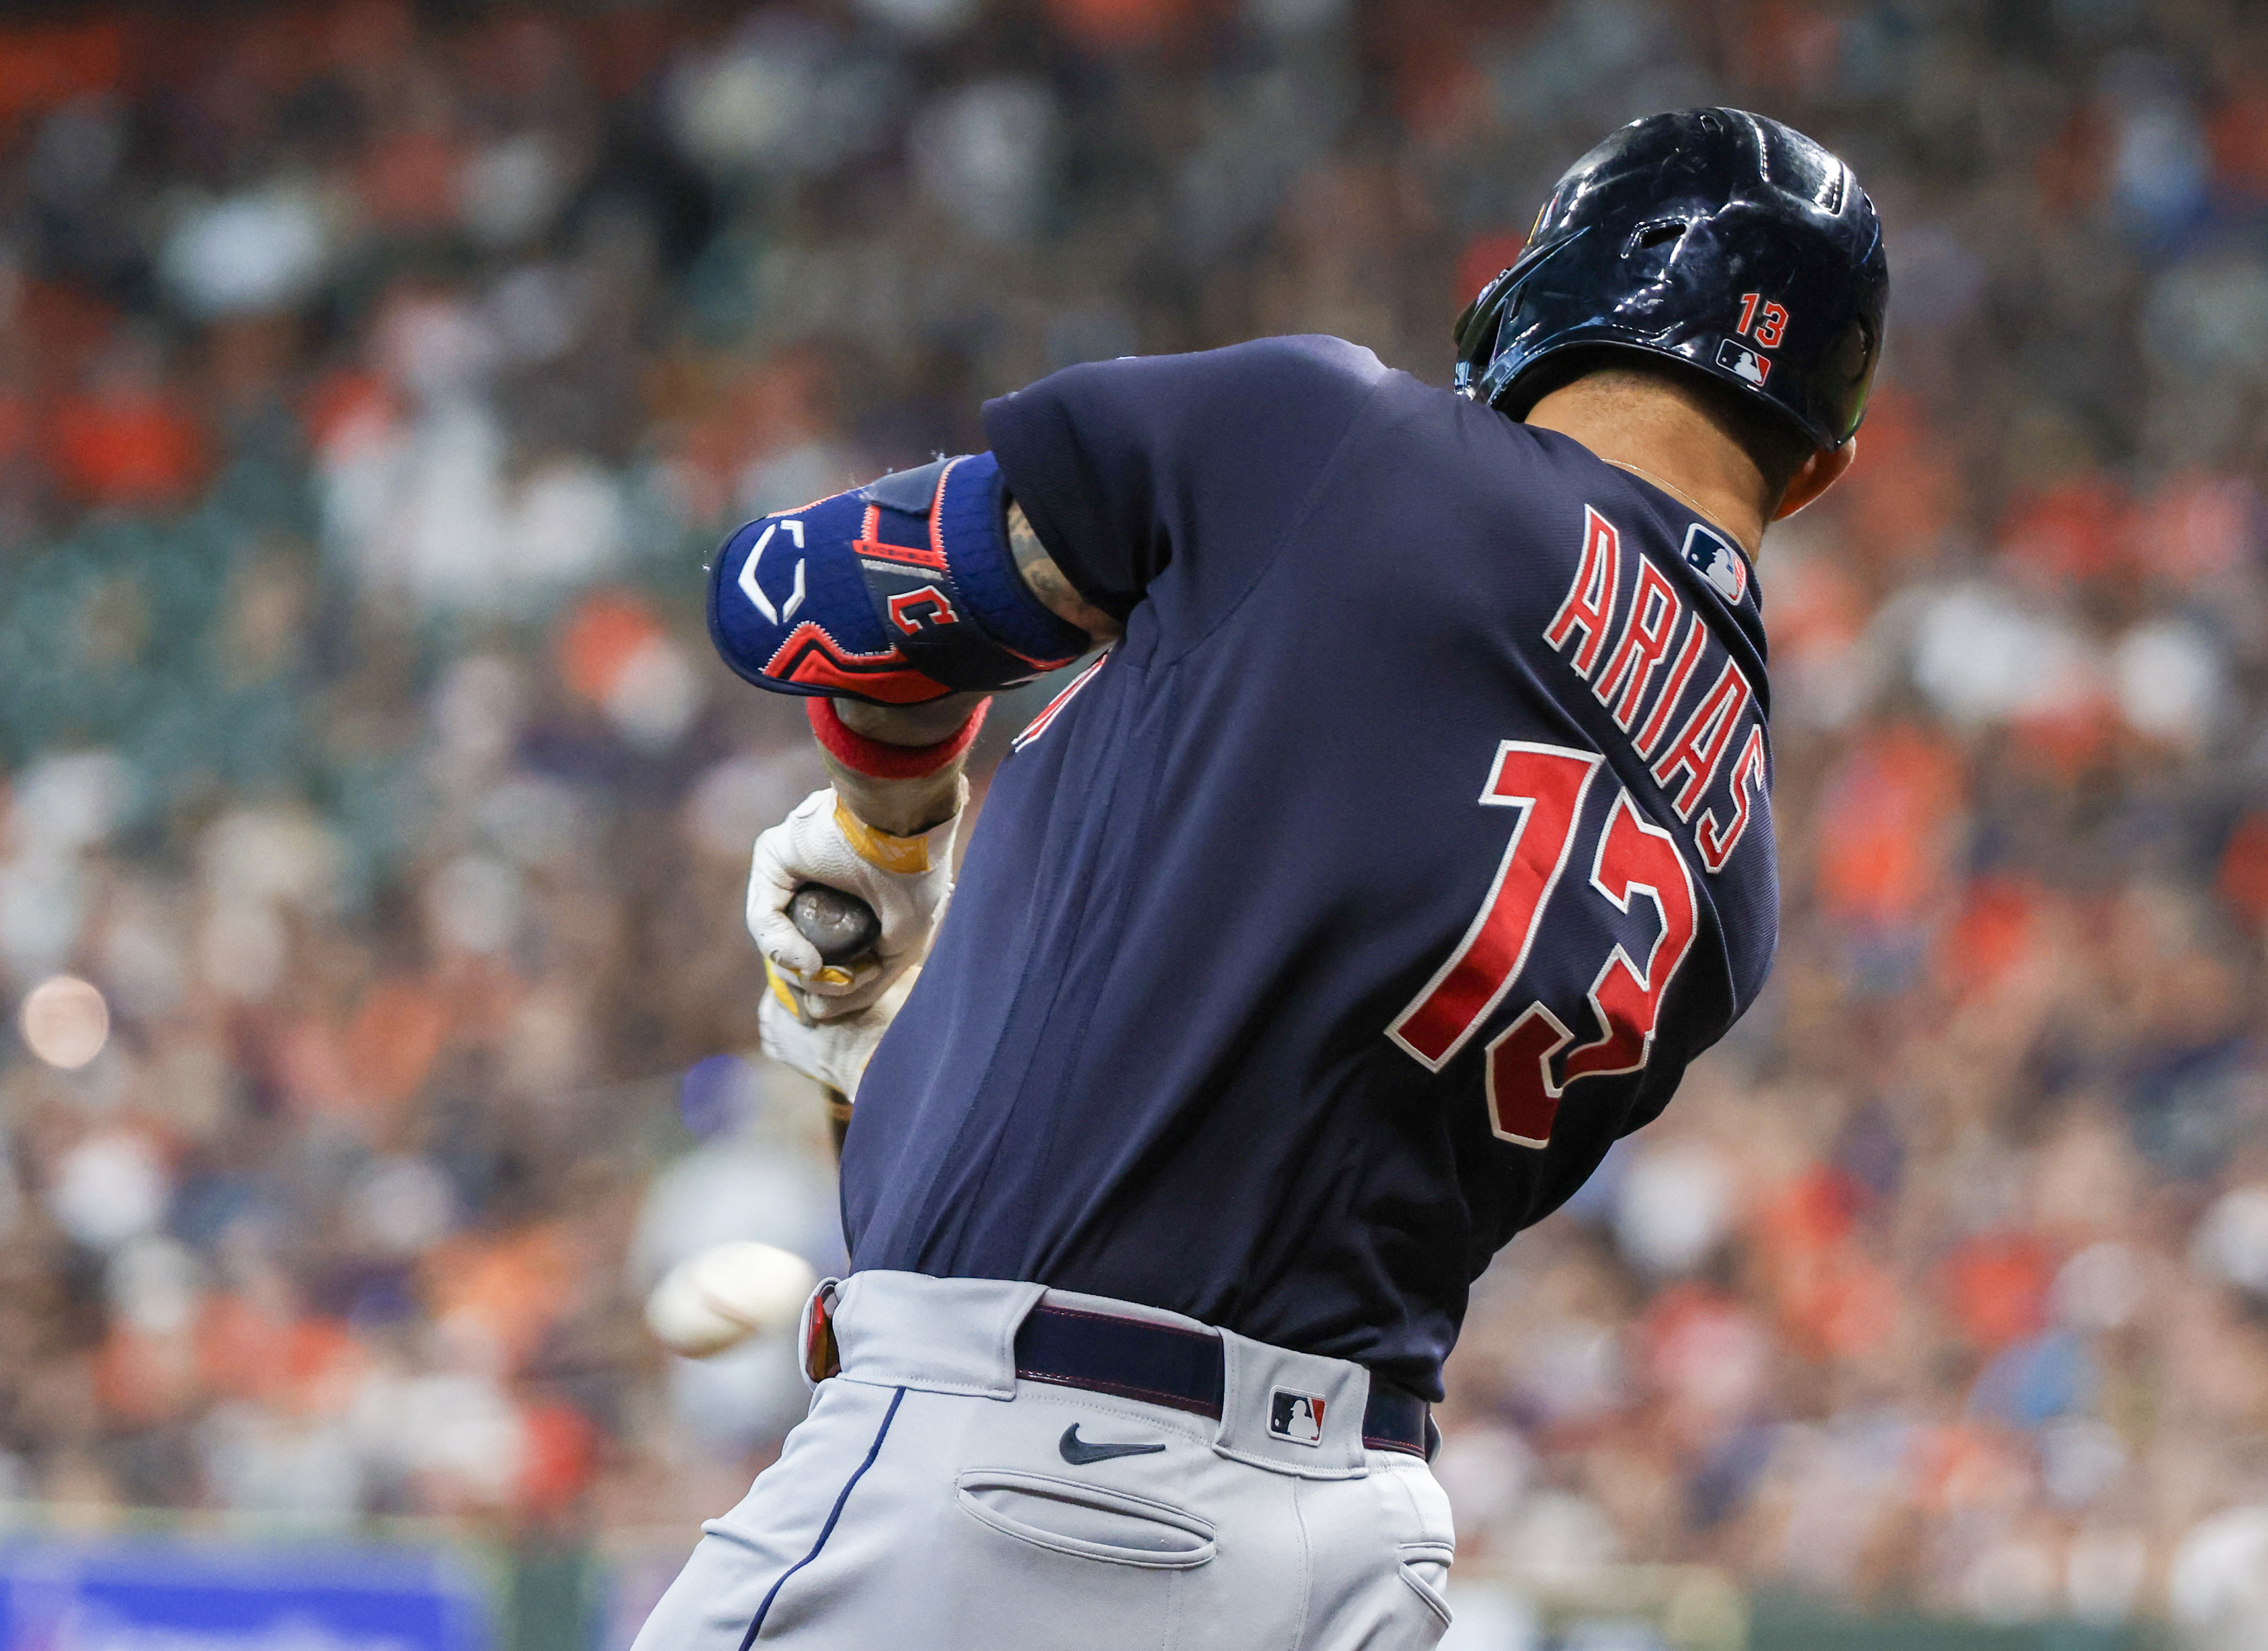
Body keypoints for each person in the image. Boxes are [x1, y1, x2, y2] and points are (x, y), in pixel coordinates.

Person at [639, 108, 1888, 1650]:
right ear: (1817, 467)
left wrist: (895, 820)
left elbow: (796, 598)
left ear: (1539, 299)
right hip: (1348, 1552)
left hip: (1016, 1480)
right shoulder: (1738, 866)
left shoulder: (1346, 444)